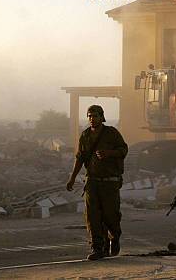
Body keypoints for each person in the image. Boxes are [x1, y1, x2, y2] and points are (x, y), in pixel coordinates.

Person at [66, 105, 128, 260]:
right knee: (92, 216)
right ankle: (97, 247)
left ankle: (114, 237)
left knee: (110, 216)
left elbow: (124, 150)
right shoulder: (85, 135)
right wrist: (72, 178)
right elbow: (80, 158)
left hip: (110, 182)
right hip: (92, 181)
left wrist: (109, 153)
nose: (92, 119)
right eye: (89, 116)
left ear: (102, 117)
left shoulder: (111, 133)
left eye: (95, 116)